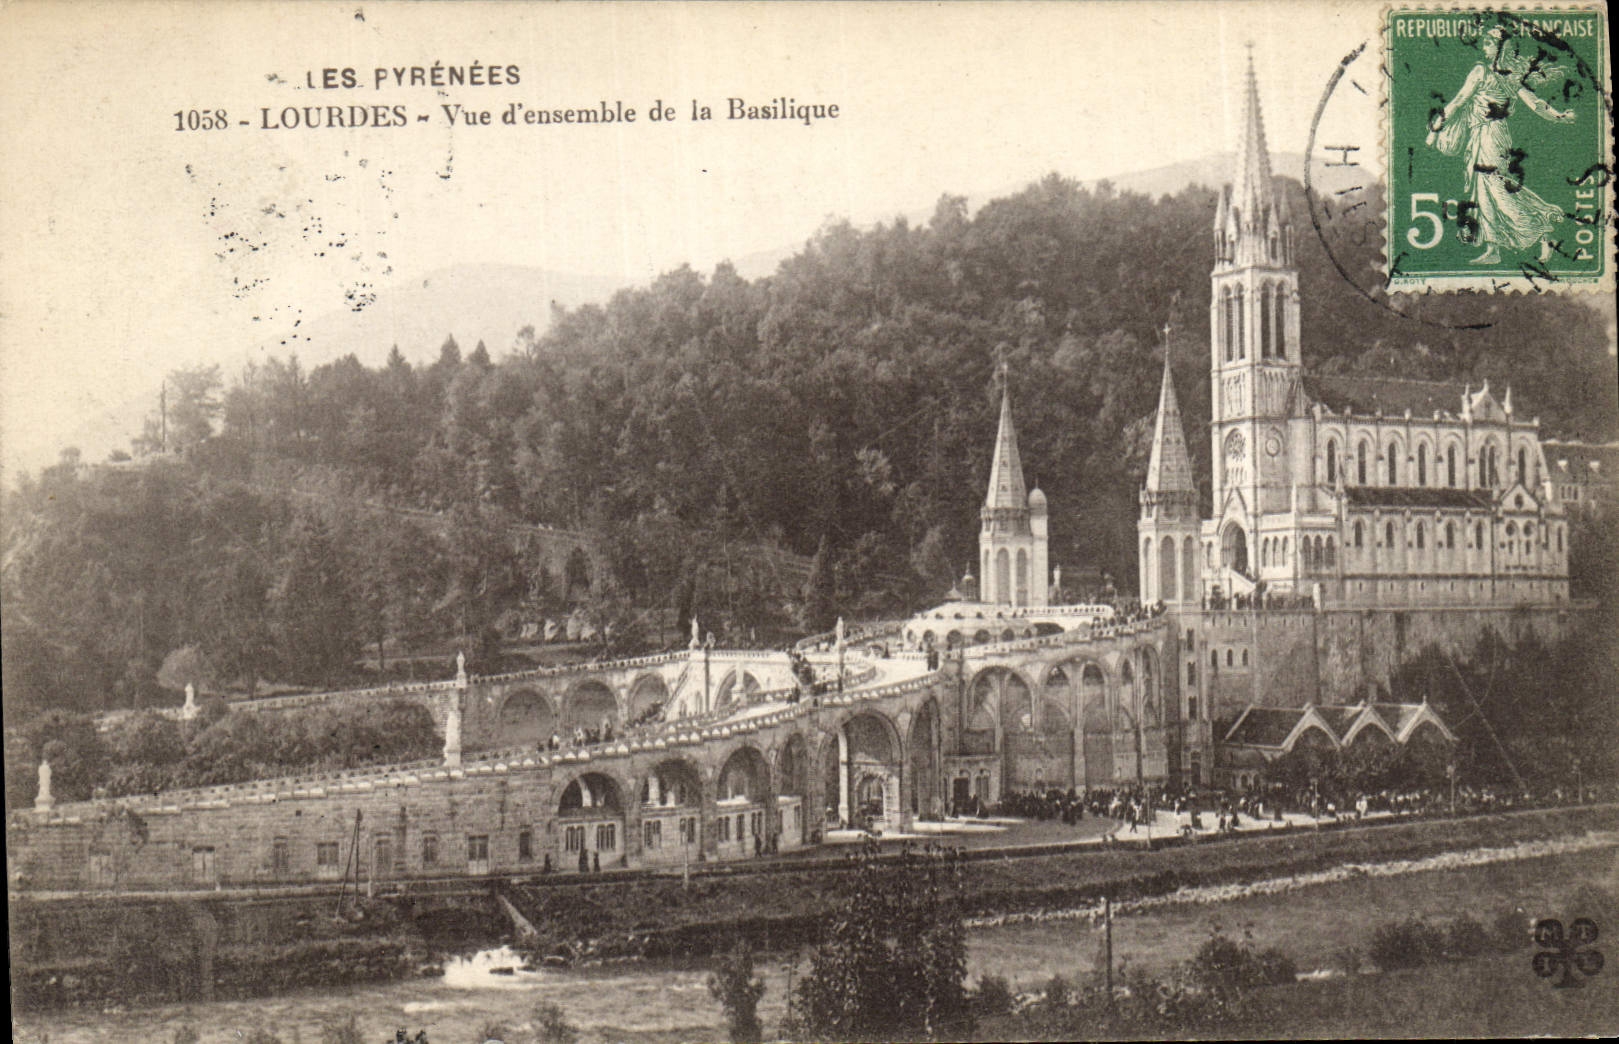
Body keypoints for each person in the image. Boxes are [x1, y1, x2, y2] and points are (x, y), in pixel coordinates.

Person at [1427, 26, 1575, 264]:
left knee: (1497, 191)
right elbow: (1536, 104)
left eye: (1488, 44)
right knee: (1485, 191)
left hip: (1489, 136)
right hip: (1491, 136)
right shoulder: (1510, 77)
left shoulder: (1481, 72)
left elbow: (1456, 102)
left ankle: (1542, 232)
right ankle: (1493, 248)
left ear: (1498, 49)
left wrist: (1434, 131)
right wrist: (1559, 116)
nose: (1484, 48)